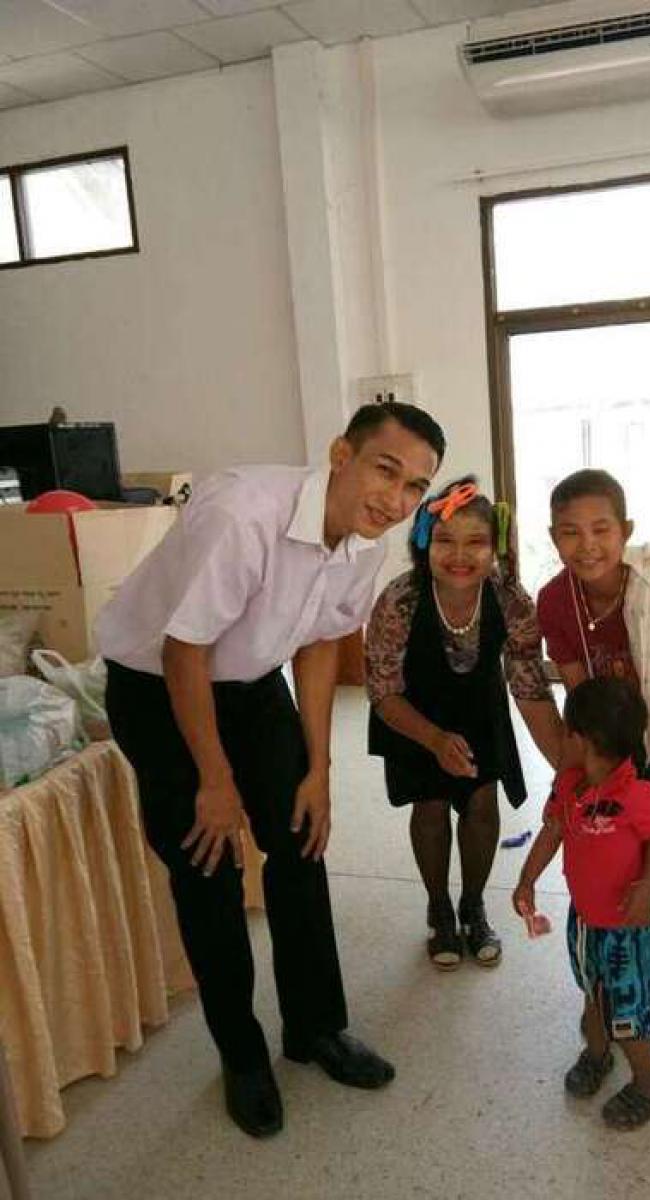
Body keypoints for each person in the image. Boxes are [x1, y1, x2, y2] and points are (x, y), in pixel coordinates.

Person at [95, 402, 445, 1138]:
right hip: (159, 687)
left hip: (250, 684)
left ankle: (315, 1028)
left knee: (300, 839)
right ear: (341, 454)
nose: (396, 498)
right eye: (386, 470)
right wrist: (214, 780)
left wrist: (318, 768)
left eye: (416, 486)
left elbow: (318, 644)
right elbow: (183, 653)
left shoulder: (367, 543)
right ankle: (242, 1054)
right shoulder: (244, 514)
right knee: (208, 865)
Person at [536, 469, 650, 1061]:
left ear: (626, 530)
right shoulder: (555, 602)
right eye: (570, 532)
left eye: (601, 529)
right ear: (553, 537)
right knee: (615, 868)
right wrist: (569, 787)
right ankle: (614, 994)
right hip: (613, 749)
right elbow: (581, 706)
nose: (587, 545)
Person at [365, 478, 563, 970]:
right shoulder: (400, 600)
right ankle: (439, 910)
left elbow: (528, 684)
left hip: (479, 708)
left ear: (495, 547)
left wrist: (567, 765)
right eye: (445, 541)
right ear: (424, 542)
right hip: (412, 713)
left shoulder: (510, 600)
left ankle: (473, 905)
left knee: (481, 802)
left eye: (476, 542)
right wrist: (433, 739)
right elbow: (382, 689)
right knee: (430, 805)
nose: (459, 555)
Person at [513, 677, 650, 1130]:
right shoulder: (570, 786)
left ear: (581, 741)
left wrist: (649, 886)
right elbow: (553, 832)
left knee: (627, 1014)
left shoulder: (635, 797)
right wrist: (527, 879)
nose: (561, 739)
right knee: (592, 989)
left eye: (565, 732)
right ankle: (598, 1053)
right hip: (585, 921)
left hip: (627, 931)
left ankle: (649, 1085)